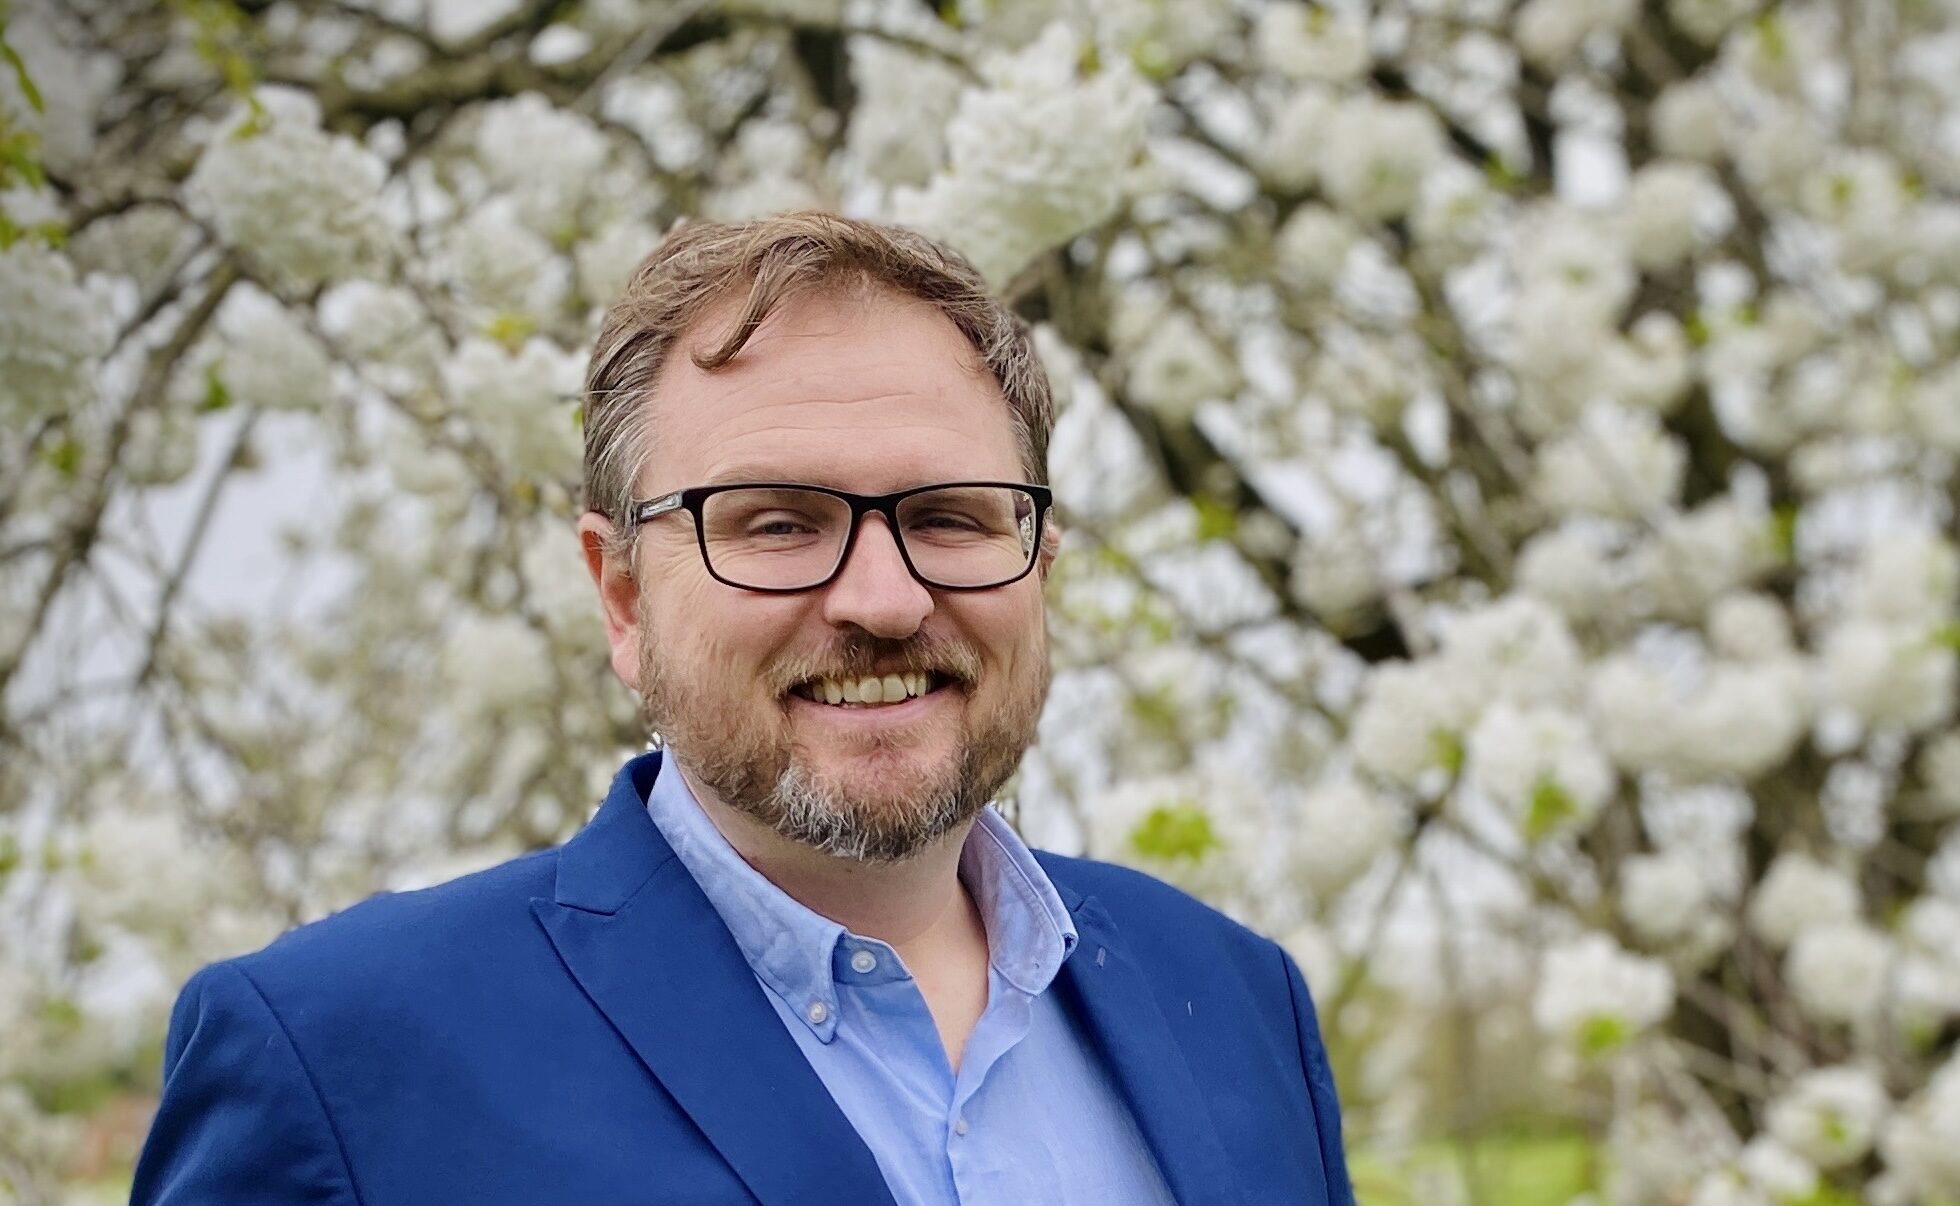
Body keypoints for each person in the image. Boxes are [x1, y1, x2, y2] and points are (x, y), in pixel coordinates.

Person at [130, 212, 1355, 1205]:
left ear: (1038, 561)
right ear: (621, 595)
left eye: (948, 517)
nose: (883, 598)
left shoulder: (1237, 1003)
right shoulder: (340, 1061)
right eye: (777, 524)